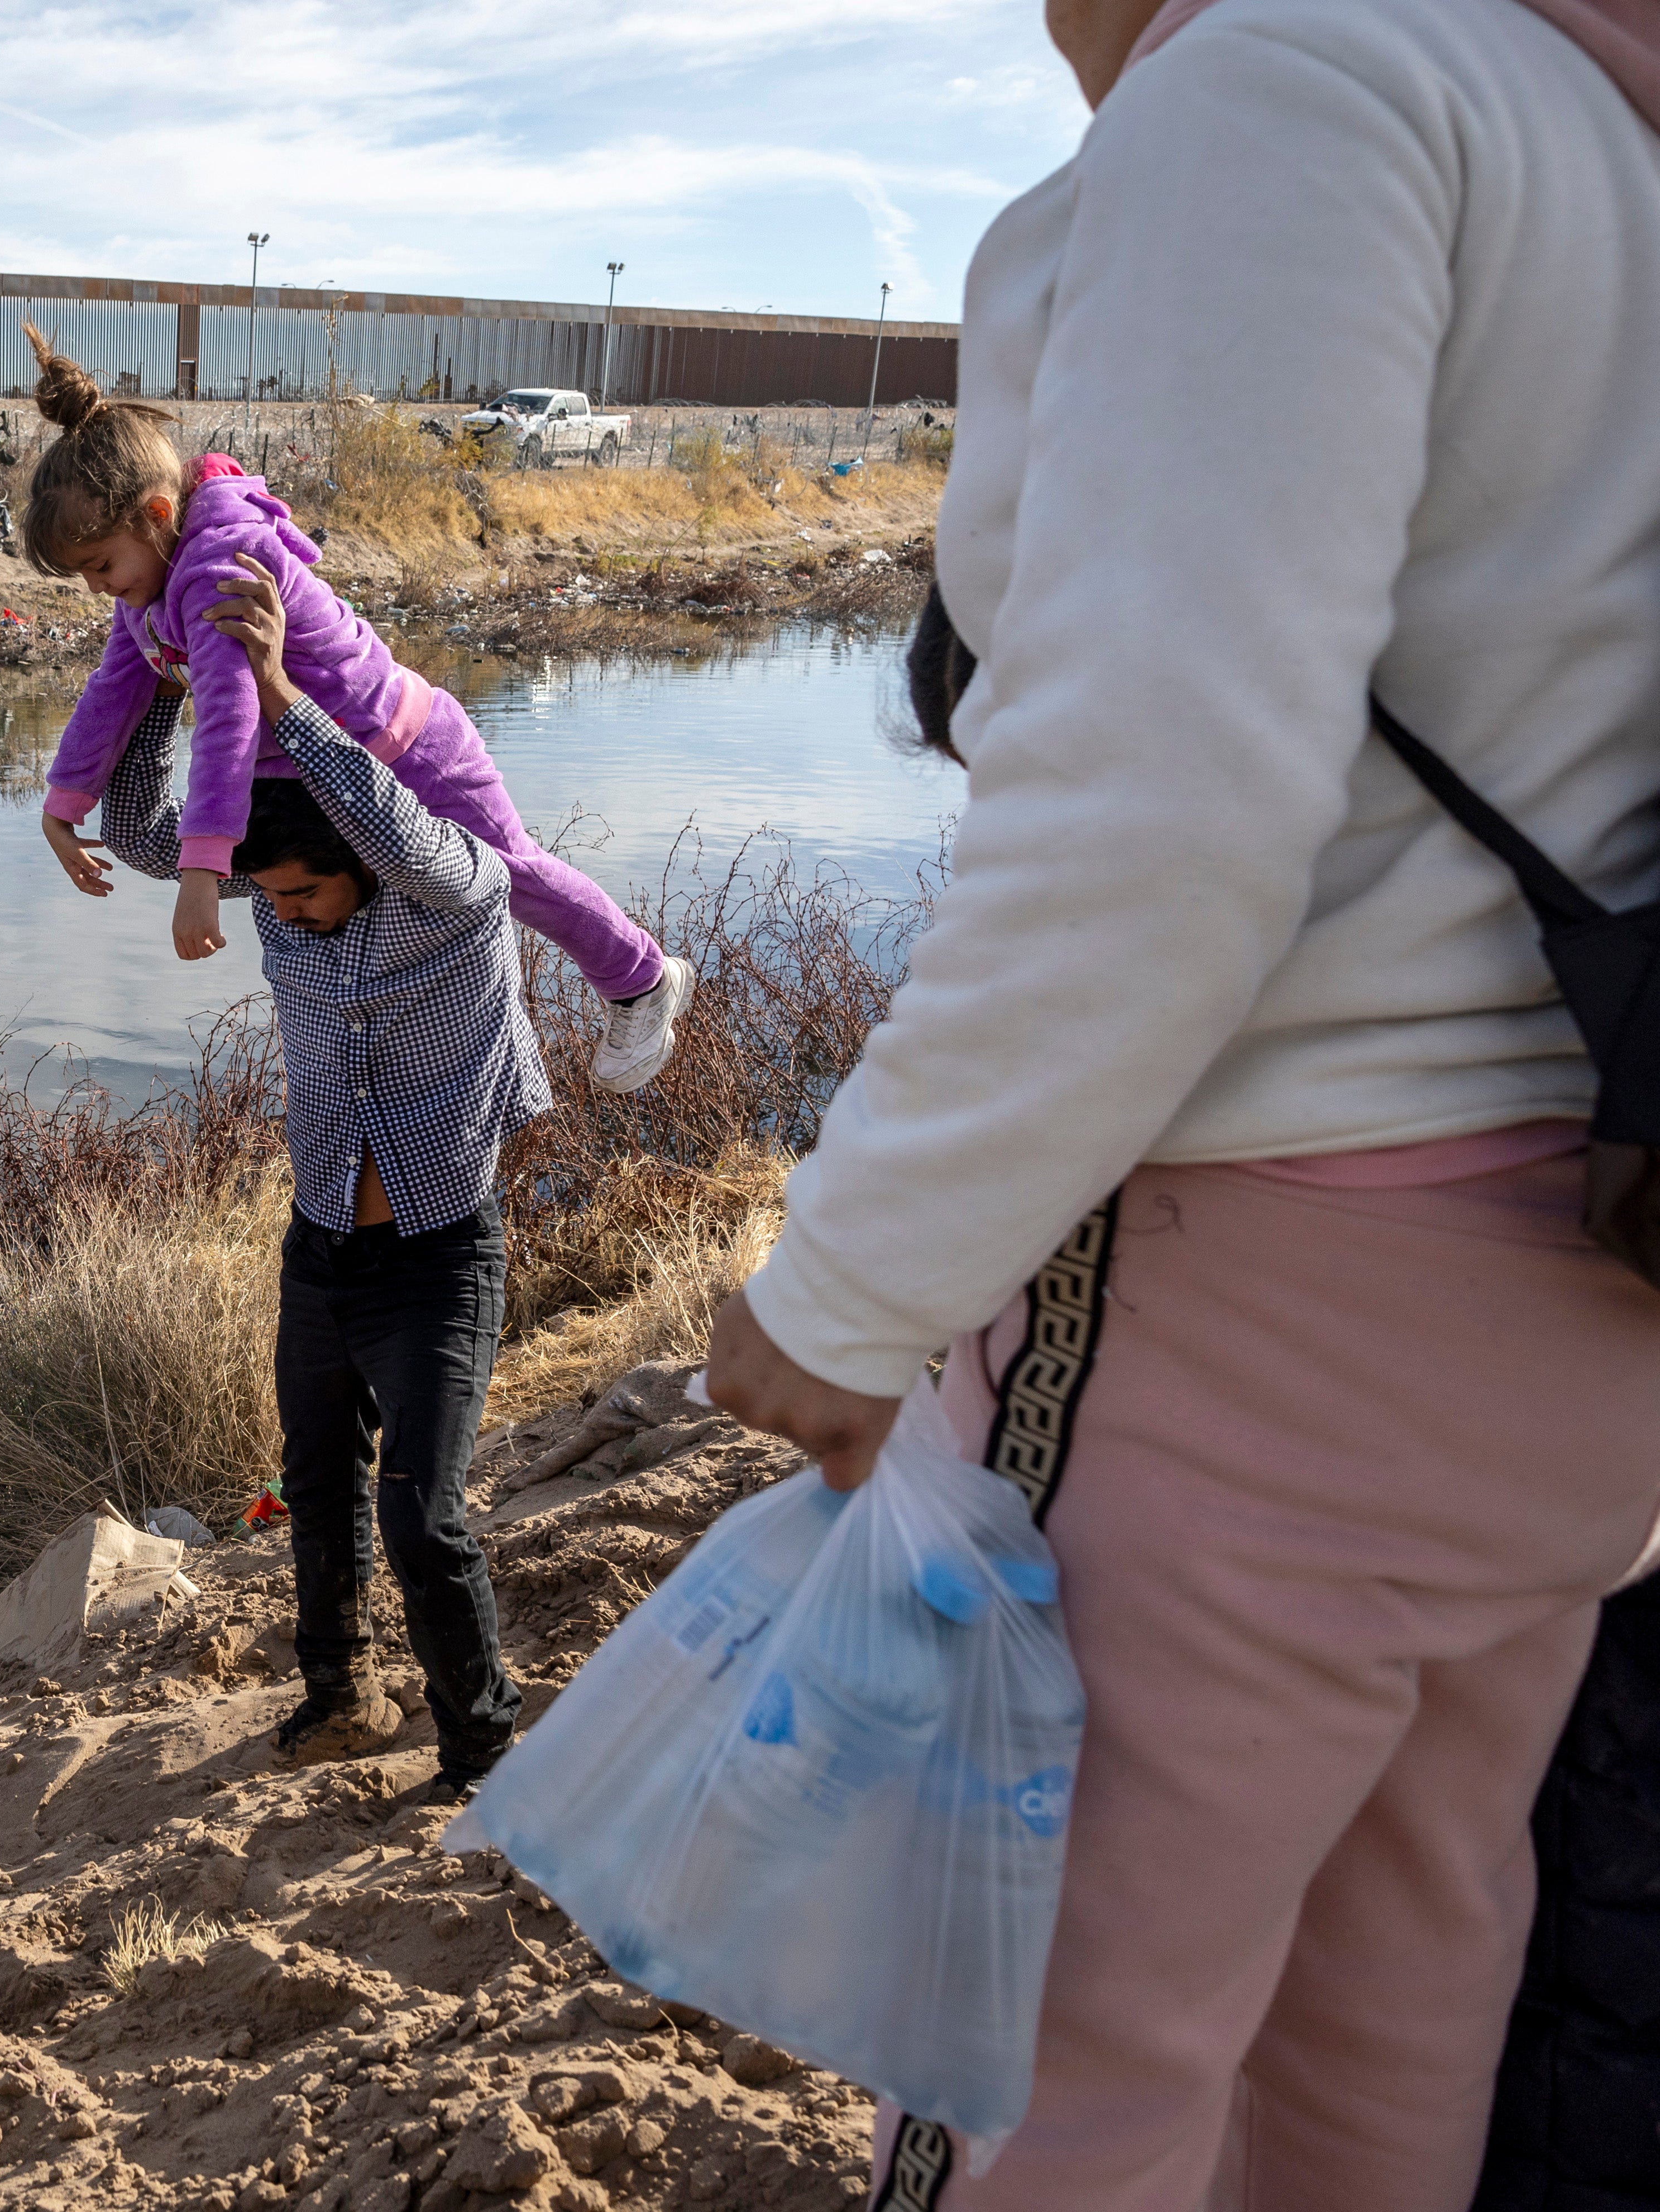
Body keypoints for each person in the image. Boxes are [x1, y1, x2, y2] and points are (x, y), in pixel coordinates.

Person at [695, 1, 1660, 2206]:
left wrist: (849, 1284)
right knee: (1390, 2007)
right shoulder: (1595, 125)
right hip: (1581, 1296)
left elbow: (1157, 811)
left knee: (1049, 2070)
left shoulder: (1290, 85)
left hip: (1249, 1311)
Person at [99, 553, 538, 1805]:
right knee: (317, 1486)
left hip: (439, 1259)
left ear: (355, 867)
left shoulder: (454, 899)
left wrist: (285, 698)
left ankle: (483, 1746)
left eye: (299, 896)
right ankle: (341, 1695)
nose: (277, 916)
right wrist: (157, 676)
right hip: (320, 1256)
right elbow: (145, 834)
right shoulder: (277, 895)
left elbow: (408, 834)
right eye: (266, 896)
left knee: (422, 1516)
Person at [17, 325, 693, 1090]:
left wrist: (204, 869)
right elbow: (114, 687)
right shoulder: (147, 588)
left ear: (156, 512)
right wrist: (62, 804)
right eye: (81, 574)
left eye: (100, 564)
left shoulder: (215, 572)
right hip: (317, 785)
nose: (96, 586)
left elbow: (230, 720)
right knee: (294, 887)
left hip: (408, 750)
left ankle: (640, 979)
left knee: (504, 873)